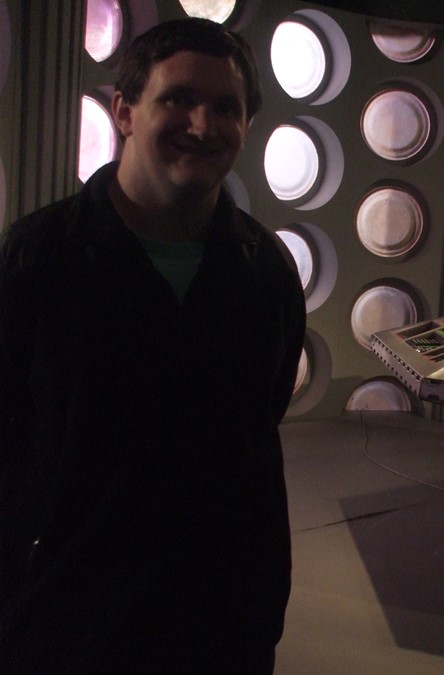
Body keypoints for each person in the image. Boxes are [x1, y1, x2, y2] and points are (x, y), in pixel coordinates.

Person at [0, 18, 305, 673]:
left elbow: (259, 424)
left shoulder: (266, 272)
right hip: (64, 624)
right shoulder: (37, 259)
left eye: (226, 107)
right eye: (178, 99)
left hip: (221, 624)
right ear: (124, 112)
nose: (202, 124)